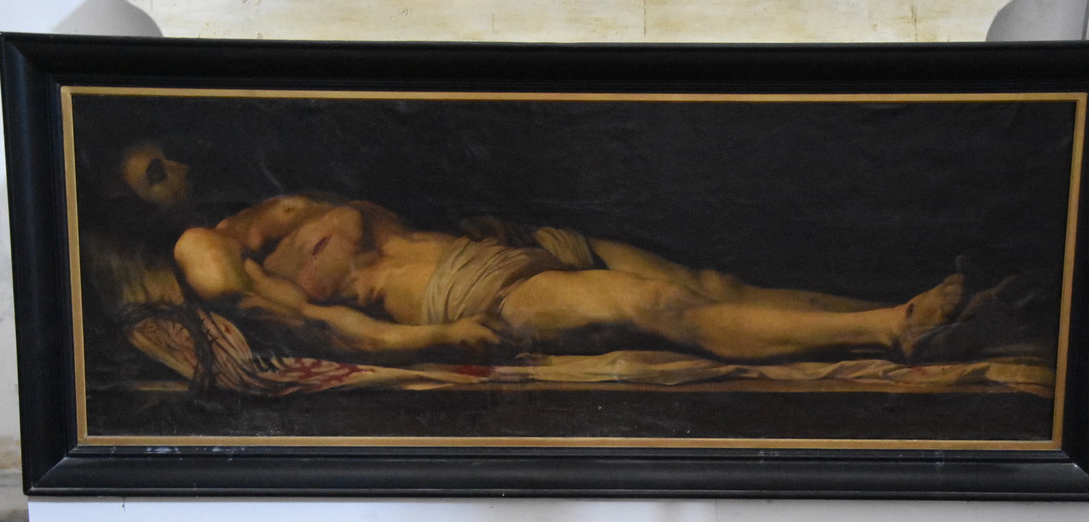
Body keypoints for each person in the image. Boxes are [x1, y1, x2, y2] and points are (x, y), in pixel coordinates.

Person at [170, 192, 972, 367]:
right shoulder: (216, 252)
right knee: (658, 304)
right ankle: (888, 330)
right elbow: (320, 328)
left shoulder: (291, 197)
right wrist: (438, 337)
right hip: (473, 294)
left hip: (505, 245)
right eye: (155, 172)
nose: (176, 171)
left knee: (711, 281)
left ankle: (895, 309)